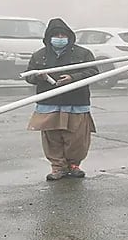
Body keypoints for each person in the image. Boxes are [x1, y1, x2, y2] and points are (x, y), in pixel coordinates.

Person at [24, 18, 98, 181]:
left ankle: (74, 165)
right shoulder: (40, 55)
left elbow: (93, 72)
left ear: (69, 36)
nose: (59, 38)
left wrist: (73, 77)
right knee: (53, 138)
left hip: (76, 103)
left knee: (76, 137)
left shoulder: (83, 54)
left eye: (62, 35)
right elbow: (28, 76)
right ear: (48, 37)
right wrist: (39, 77)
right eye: (55, 35)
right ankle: (57, 167)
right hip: (49, 103)